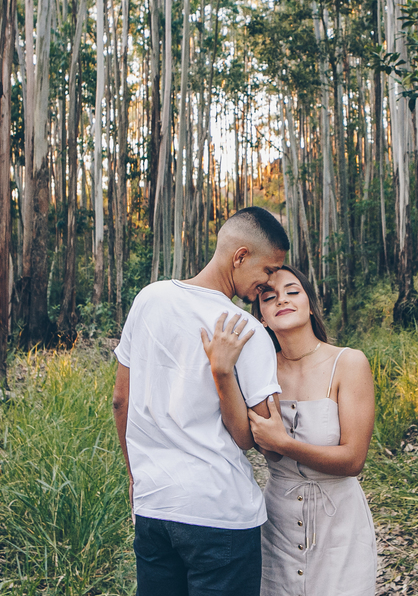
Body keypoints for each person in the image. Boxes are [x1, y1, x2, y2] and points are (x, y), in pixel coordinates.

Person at [112, 206, 289, 596]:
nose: (269, 283)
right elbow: (254, 439)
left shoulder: (149, 299)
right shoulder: (245, 331)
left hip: (155, 505)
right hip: (220, 515)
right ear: (240, 256)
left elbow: (121, 400)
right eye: (268, 270)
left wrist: (134, 478)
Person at [205, 265, 378, 596]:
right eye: (269, 297)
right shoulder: (260, 368)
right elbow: (249, 441)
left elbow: (354, 460)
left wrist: (285, 443)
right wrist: (222, 372)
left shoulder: (349, 363)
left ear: (310, 304)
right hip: (278, 523)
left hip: (340, 524)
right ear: (262, 318)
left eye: (293, 291)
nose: (282, 300)